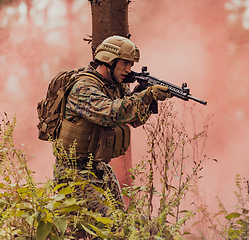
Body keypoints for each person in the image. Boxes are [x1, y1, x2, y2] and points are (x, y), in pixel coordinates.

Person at [53, 35, 171, 219]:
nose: (128, 69)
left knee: (121, 221)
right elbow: (109, 114)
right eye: (125, 63)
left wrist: (147, 98)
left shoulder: (116, 86)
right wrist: (144, 96)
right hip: (73, 172)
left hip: (99, 168)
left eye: (131, 64)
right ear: (109, 59)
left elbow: (132, 119)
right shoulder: (83, 87)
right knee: (111, 224)